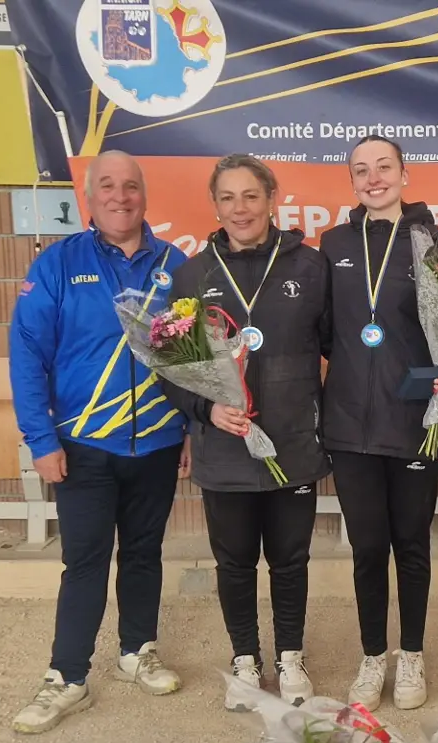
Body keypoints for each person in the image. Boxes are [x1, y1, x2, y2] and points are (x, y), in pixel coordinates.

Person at [9, 150, 190, 734]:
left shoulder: (176, 264)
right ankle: (68, 677)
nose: (120, 196)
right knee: (84, 560)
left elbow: (195, 357)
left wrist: (189, 429)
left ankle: (138, 650)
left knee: (143, 552)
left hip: (158, 442)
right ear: (88, 197)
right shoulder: (58, 263)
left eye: (130, 186)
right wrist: (41, 439)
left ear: (145, 195)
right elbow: (26, 354)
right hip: (83, 444)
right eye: (107, 186)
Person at [158, 154, 330, 711]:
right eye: (227, 197)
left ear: (271, 199)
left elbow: (343, 349)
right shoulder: (192, 276)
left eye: (251, 195)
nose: (240, 208)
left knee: (290, 560)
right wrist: (204, 411)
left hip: (292, 443)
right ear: (215, 205)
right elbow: (170, 368)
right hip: (225, 448)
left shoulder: (311, 267)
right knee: (233, 563)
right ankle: (245, 658)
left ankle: (291, 656)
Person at [319, 135, 438, 712]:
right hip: (350, 423)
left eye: (384, 167)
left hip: (414, 417)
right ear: (352, 181)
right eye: (361, 170)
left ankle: (412, 655)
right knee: (366, 547)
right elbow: (323, 331)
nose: (373, 178)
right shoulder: (333, 244)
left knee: (411, 544)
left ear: (405, 174)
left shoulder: (435, 244)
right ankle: (372, 655)